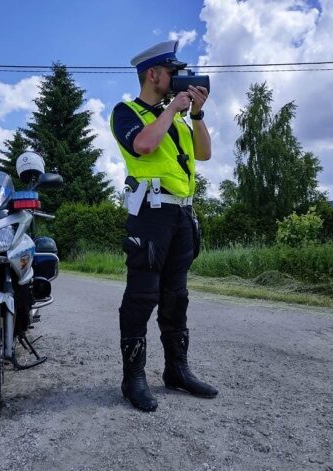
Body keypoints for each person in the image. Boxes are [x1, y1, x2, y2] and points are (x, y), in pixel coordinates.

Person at [110, 39, 218, 412]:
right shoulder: (127, 112)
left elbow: (204, 153)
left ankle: (177, 371)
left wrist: (197, 116)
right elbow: (142, 145)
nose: (179, 79)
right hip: (150, 214)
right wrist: (172, 108)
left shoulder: (178, 119)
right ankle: (133, 379)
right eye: (173, 73)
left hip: (182, 215)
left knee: (177, 297)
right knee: (142, 297)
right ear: (153, 74)